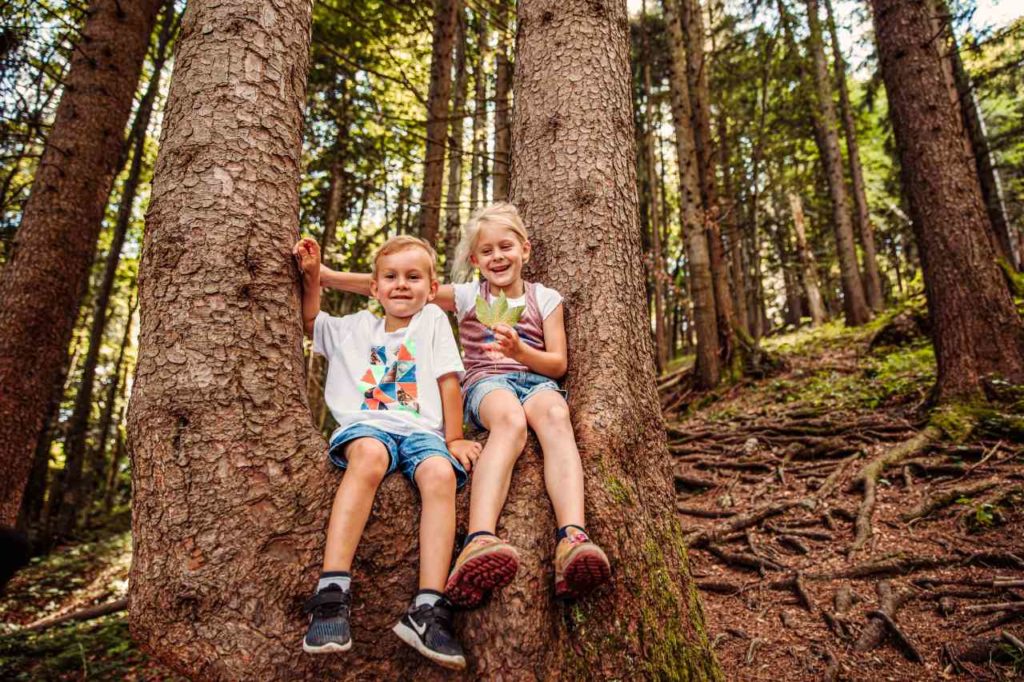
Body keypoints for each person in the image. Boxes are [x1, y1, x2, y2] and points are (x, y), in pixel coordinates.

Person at [318, 203, 611, 610]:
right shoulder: (470, 295)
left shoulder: (545, 298)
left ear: (525, 249)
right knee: (510, 420)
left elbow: (558, 363)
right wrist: (328, 277)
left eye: (505, 247)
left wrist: (521, 351)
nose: (497, 257)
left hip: (538, 379)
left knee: (557, 416)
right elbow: (401, 285)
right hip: (486, 384)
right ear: (475, 260)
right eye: (486, 251)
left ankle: (572, 537)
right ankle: (480, 536)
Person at [294, 235, 481, 669]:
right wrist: (311, 276)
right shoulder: (355, 327)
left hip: (423, 431)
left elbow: (448, 382)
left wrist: (453, 440)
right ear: (374, 288)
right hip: (368, 427)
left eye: (413, 277)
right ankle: (332, 592)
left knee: (440, 474)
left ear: (432, 289)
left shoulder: (432, 320)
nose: (401, 285)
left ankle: (428, 608)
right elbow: (310, 322)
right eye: (391, 278)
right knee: (370, 459)